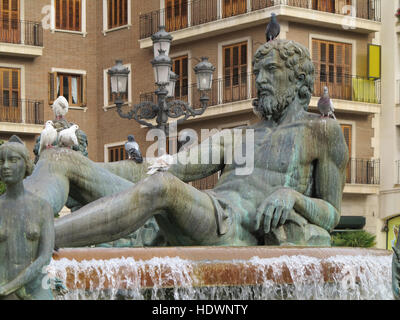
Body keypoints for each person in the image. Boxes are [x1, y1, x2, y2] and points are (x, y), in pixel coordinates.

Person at [49, 39, 348, 248]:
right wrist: (88, 166)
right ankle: (19, 222)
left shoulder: (321, 131)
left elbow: (331, 213)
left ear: (299, 79)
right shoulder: (240, 135)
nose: (260, 80)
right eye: (257, 73)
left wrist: (292, 197)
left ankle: (39, 237)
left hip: (233, 228)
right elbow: (166, 166)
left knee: (162, 186)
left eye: (270, 71)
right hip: (206, 214)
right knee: (63, 160)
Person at [0, 136, 54, 300]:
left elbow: (45, 256)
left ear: (26, 165)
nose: (6, 166)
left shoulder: (42, 207)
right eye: (1, 161)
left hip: (36, 288)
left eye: (13, 160)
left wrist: (12, 286)